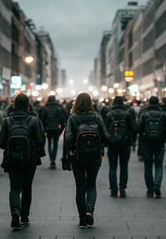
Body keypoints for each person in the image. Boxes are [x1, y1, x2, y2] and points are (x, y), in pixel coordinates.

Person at [64, 92, 111, 229]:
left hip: (77, 156)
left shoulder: (73, 118)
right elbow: (107, 137)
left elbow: (68, 138)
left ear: (76, 103)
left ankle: (82, 220)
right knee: (91, 185)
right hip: (95, 157)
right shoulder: (97, 117)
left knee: (80, 187)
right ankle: (89, 209)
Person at [0, 93, 45, 229]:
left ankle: (15, 211)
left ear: (14, 105)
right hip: (29, 160)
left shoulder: (7, 121)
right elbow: (41, 141)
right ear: (28, 105)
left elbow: (1, 143)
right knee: (27, 188)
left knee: (14, 188)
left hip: (11, 160)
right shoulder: (33, 120)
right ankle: (24, 217)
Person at [137, 96, 166, 198]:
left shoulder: (144, 114)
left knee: (148, 166)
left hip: (147, 143)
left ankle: (150, 189)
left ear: (148, 103)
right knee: (159, 164)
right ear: (158, 103)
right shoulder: (163, 114)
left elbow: (138, 129)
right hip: (160, 142)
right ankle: (157, 183)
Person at [105, 96, 137, 197]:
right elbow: (134, 129)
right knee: (124, 166)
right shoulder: (127, 114)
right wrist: (132, 142)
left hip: (112, 144)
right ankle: (122, 188)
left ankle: (113, 190)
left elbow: (104, 129)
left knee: (112, 167)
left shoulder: (109, 114)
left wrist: (106, 142)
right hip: (125, 144)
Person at [41, 95, 66, 169]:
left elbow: (42, 120)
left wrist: (44, 129)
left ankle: (51, 159)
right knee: (55, 144)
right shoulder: (58, 108)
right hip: (55, 129)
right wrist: (60, 131)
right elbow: (62, 121)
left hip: (48, 129)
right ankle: (53, 160)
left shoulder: (45, 108)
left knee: (49, 143)